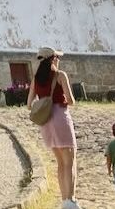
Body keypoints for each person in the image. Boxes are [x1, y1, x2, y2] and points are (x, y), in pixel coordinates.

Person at [27, 47, 80, 209]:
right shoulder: (59, 75)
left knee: (60, 163)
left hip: (46, 121)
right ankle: (70, 201)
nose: (58, 59)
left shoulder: (36, 79)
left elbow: (29, 105)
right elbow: (71, 101)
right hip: (60, 117)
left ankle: (64, 200)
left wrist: (43, 103)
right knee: (70, 162)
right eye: (57, 57)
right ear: (53, 59)